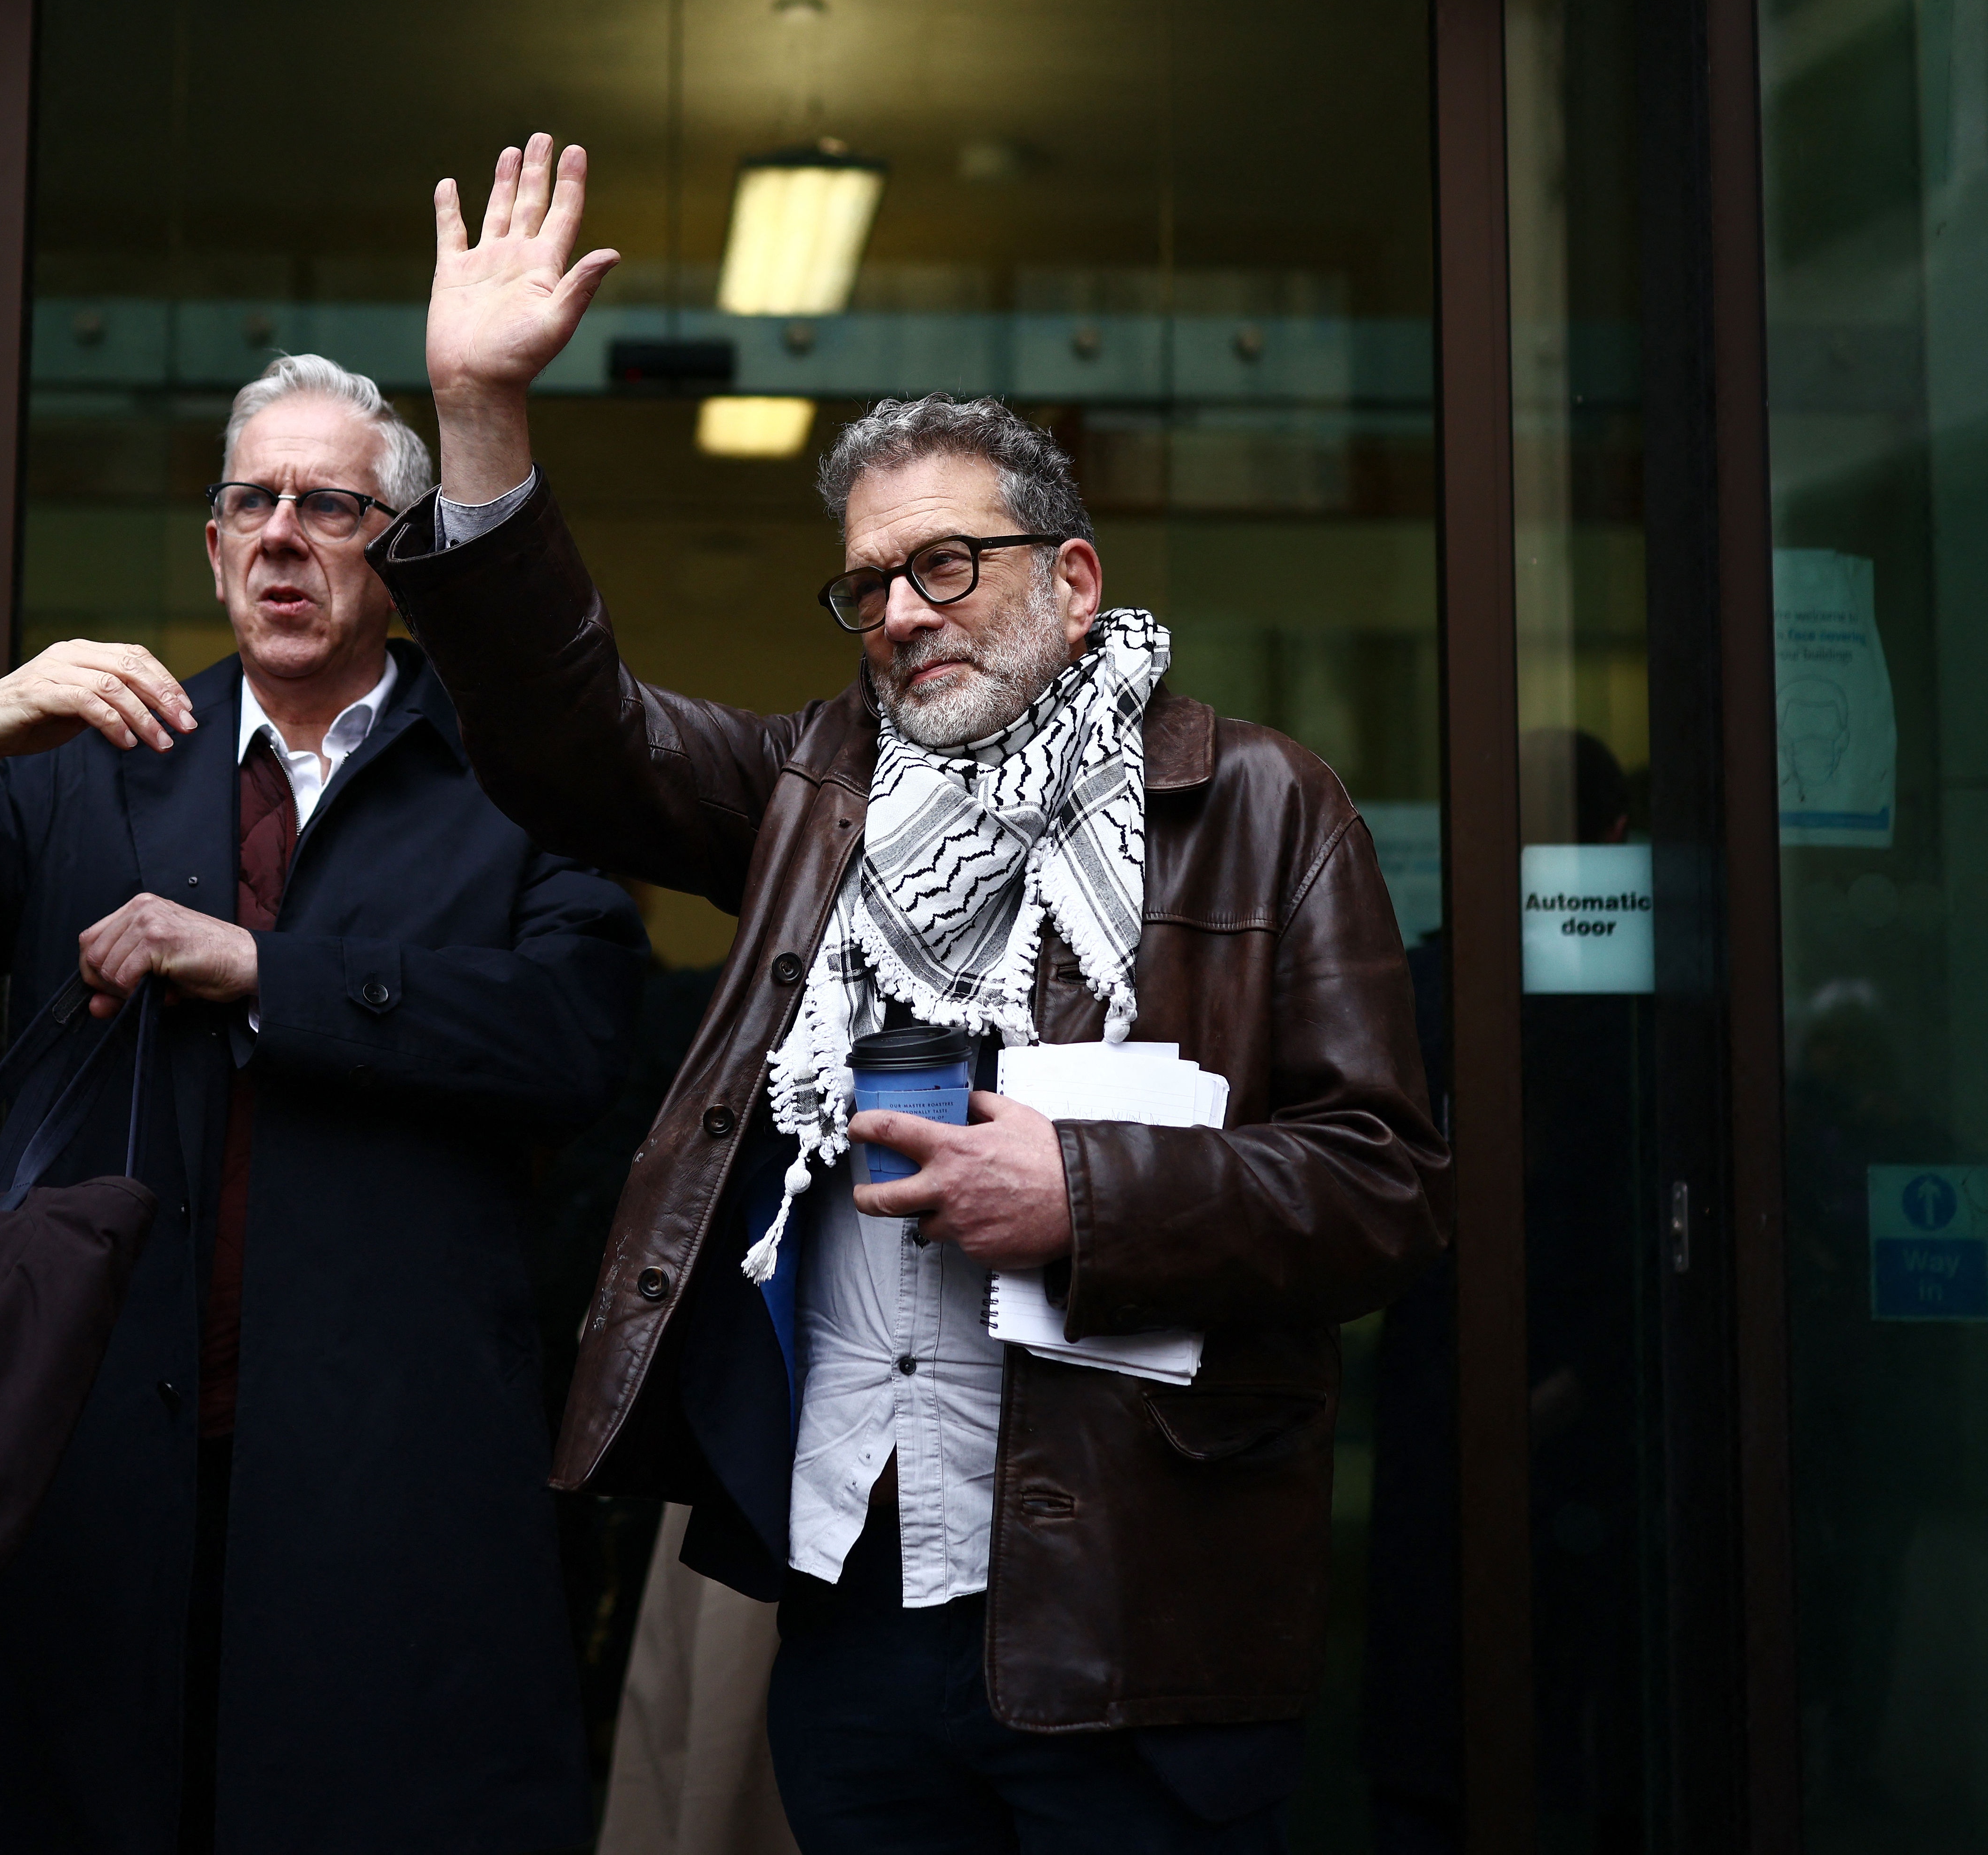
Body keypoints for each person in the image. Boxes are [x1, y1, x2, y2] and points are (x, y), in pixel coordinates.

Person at [373, 135, 1453, 1855]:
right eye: (868, 582)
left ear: (1072, 580)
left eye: (945, 564)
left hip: (1136, 1616)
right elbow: (574, 736)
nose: (897, 611)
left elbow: (1384, 1193)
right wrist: (482, 418)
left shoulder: (1259, 802)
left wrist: (1086, 1193)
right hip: (855, 1582)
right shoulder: (814, 789)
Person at [0, 354, 646, 1855]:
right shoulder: (87, 772)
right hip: (83, 1488)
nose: (282, 536)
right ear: (212, 547)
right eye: (251, 503)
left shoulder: (515, 779)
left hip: (389, 1494)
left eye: (330, 506)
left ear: (400, 551)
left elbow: (581, 1041)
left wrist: (271, 972)